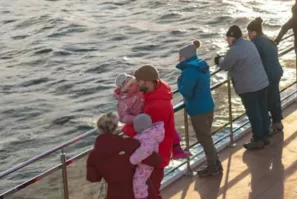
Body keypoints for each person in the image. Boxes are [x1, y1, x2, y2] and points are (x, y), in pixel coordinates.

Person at [123, 65, 181, 199]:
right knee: (144, 191)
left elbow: (146, 130)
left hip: (154, 156)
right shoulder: (156, 93)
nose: (136, 84)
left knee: (151, 197)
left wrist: (125, 130)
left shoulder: (157, 105)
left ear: (148, 81)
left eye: (139, 81)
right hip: (152, 152)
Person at [215, 25, 271, 150]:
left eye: (228, 37)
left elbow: (225, 65)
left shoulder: (234, 50)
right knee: (263, 109)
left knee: (253, 113)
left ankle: (258, 139)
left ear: (233, 37)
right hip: (262, 82)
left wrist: (218, 60)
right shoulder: (248, 43)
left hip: (249, 87)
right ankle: (266, 135)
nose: (226, 40)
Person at [116, 72, 187, 160]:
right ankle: (149, 159)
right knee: (148, 142)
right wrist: (136, 118)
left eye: (132, 84)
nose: (132, 88)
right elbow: (122, 117)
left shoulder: (141, 89)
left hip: (151, 114)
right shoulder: (123, 102)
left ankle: (176, 149)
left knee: (169, 129)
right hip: (140, 123)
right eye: (127, 88)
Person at [176, 40, 219, 177]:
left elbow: (186, 92)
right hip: (208, 105)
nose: (179, 59)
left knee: (204, 139)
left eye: (180, 57)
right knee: (207, 138)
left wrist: (179, 81)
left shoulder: (189, 71)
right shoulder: (202, 65)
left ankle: (213, 167)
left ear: (186, 57)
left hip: (198, 110)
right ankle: (216, 164)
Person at [248, 18, 284, 134]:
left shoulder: (255, 43)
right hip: (276, 71)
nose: (248, 35)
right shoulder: (267, 39)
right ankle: (277, 121)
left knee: (264, 101)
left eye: (249, 32)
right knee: (274, 96)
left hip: (267, 74)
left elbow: (249, 58)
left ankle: (266, 126)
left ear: (254, 32)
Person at [127, 114, 164, 199]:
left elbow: (144, 151)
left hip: (145, 165)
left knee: (138, 183)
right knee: (140, 182)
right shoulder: (151, 134)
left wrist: (133, 160)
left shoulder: (146, 138)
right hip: (147, 163)